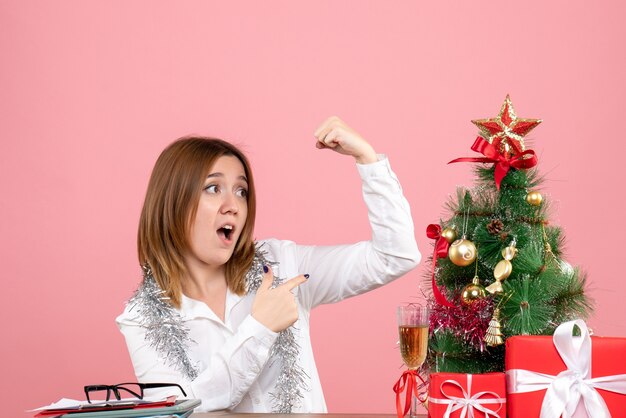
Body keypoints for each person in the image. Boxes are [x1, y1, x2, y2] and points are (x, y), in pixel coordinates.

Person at [116, 116, 421, 413]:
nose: (233, 205)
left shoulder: (283, 265)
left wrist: (367, 159)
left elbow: (394, 256)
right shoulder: (141, 318)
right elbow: (181, 411)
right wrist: (261, 327)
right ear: (173, 202)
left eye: (241, 191)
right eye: (213, 188)